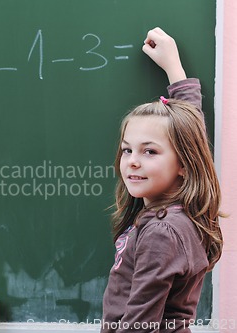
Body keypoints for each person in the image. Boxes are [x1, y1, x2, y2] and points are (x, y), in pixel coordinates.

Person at [101, 27, 224, 333]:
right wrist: (174, 69)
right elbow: (189, 133)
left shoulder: (160, 232)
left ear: (184, 163)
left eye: (150, 151)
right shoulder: (185, 210)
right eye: (127, 149)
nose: (133, 161)